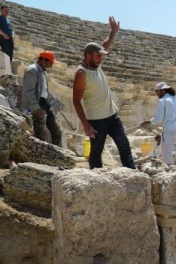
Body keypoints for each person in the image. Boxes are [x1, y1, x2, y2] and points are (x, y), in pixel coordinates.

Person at [72, 16, 135, 169]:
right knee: (96, 152)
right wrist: (85, 125)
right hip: (96, 120)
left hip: (112, 115)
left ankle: (133, 173)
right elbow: (75, 100)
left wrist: (113, 31)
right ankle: (96, 179)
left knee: (124, 144)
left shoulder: (96, 64)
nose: (101, 58)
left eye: (101, 55)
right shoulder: (81, 73)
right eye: (98, 55)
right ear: (88, 55)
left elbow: (105, 45)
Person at [141, 82, 176, 165]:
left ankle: (169, 169)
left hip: (168, 131)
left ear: (163, 91)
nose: (157, 94)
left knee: (167, 153)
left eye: (157, 91)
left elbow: (158, 119)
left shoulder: (162, 101)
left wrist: (148, 122)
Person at [21, 50, 62, 146]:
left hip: (43, 103)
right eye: (50, 62)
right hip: (36, 104)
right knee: (40, 132)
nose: (51, 65)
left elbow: (43, 91)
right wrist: (36, 108)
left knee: (54, 129)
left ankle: (58, 153)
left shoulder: (41, 71)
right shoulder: (32, 70)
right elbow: (28, 91)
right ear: (43, 60)